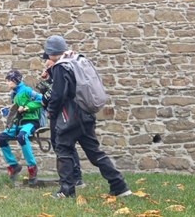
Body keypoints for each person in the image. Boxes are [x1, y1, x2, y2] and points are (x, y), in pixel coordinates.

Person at [43, 35, 131, 199]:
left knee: (63, 150)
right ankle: (120, 186)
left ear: (49, 52)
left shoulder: (61, 67)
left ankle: (66, 190)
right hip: (86, 113)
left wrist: (51, 112)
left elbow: (58, 95)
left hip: (69, 116)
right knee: (95, 153)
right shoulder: (76, 60)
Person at [37, 56, 83, 188]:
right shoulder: (53, 75)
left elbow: (54, 94)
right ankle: (68, 178)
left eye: (47, 65)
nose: (46, 67)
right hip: (56, 113)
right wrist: (45, 80)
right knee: (58, 144)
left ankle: (75, 177)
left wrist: (48, 104)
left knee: (65, 144)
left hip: (63, 113)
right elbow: (47, 92)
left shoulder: (60, 71)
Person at [0, 69, 42, 185]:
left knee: (22, 137)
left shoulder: (27, 90)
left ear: (14, 80)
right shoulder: (13, 93)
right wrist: (8, 110)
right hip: (18, 122)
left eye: (8, 81)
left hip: (30, 121)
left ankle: (32, 167)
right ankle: (13, 165)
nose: (7, 83)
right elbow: (15, 108)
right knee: (2, 137)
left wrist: (27, 107)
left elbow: (41, 100)